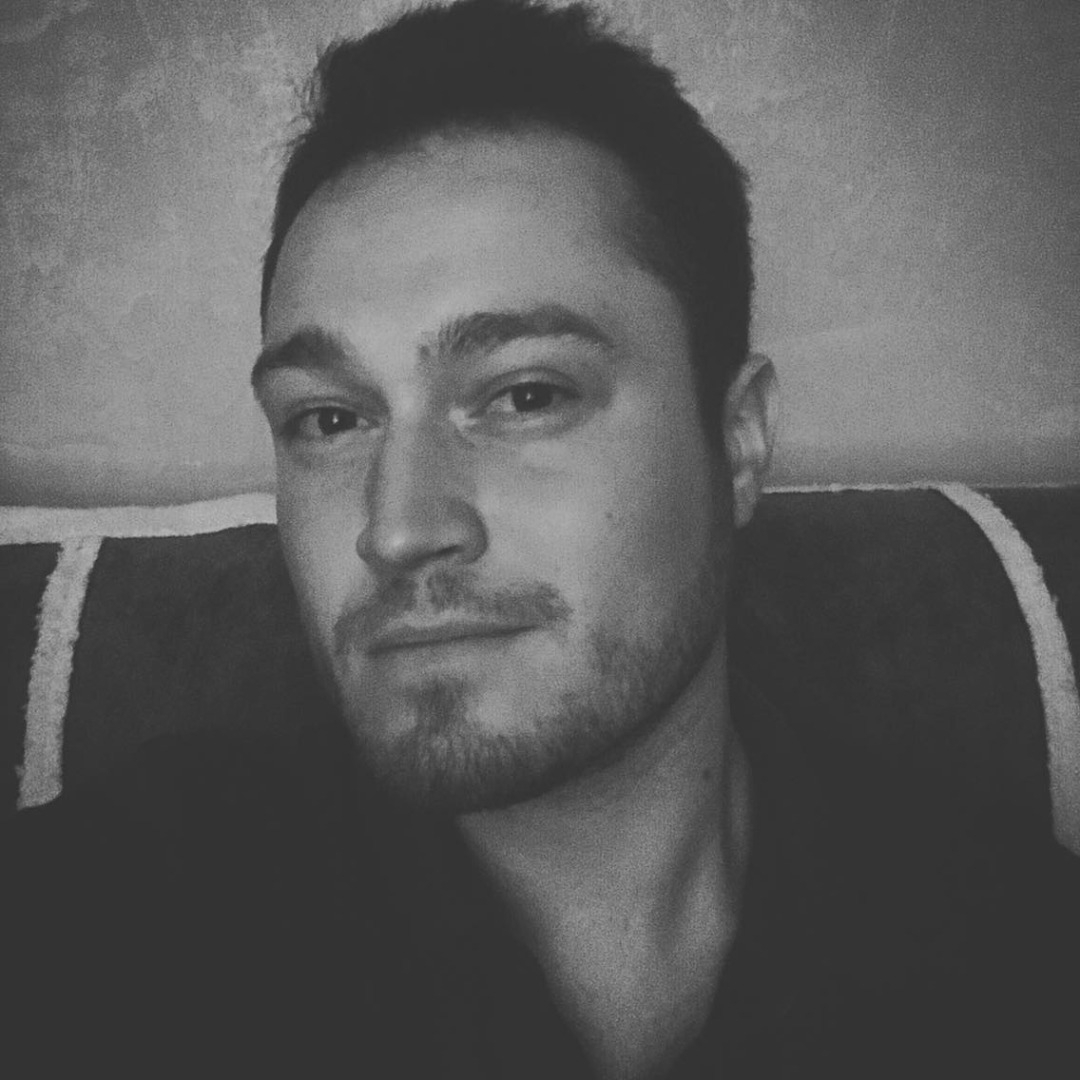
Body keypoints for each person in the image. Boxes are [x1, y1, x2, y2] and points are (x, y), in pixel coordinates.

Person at [5, 2, 1079, 1076]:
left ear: (739, 441)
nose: (398, 528)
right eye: (328, 419)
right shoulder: (110, 929)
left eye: (525, 396)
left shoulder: (1012, 955)